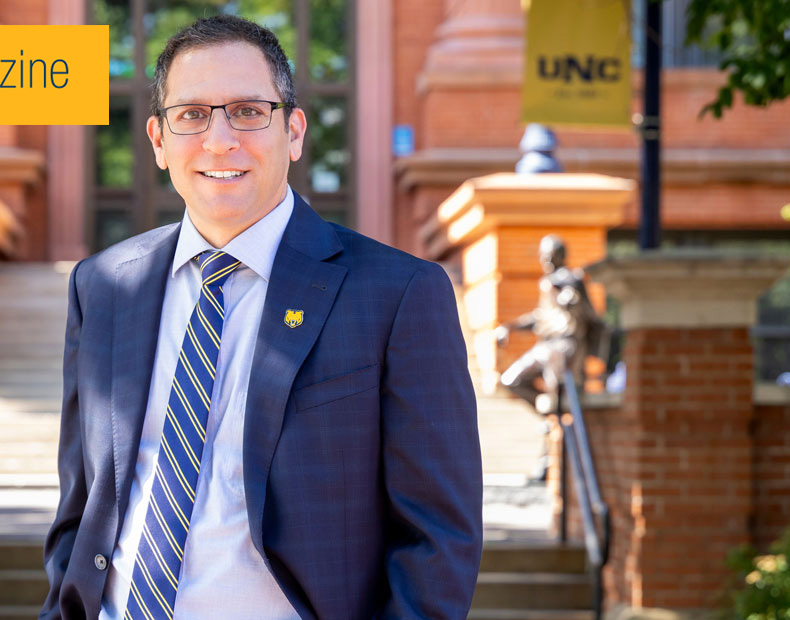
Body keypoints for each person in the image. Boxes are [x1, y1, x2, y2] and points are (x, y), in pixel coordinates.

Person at [41, 15, 482, 620]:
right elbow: (83, 504)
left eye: (249, 110)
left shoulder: (400, 294)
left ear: (294, 131)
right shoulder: (103, 286)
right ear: (158, 140)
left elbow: (438, 537)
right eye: (191, 114)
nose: (219, 140)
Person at [494, 234, 604, 414]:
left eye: (552, 255)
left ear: (561, 256)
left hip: (563, 345)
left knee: (560, 395)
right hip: (544, 345)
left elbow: (589, 312)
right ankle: (550, 415)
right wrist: (508, 327)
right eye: (544, 255)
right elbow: (539, 317)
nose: (547, 260)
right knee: (511, 380)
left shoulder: (570, 278)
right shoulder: (545, 283)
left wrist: (573, 301)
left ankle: (561, 424)